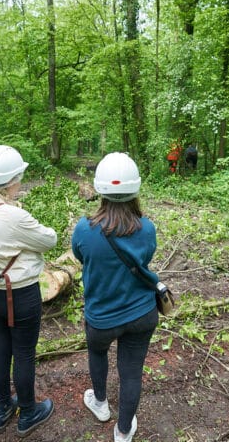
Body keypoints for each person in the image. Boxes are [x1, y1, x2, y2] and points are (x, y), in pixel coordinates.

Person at [0, 144, 57, 437]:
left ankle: (3, 408)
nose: (20, 181)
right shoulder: (12, 215)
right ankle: (29, 413)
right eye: (19, 176)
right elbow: (49, 240)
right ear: (10, 181)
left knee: (1, 346)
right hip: (18, 294)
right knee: (23, 352)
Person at [72, 152, 159, 442]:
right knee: (131, 372)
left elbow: (79, 255)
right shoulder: (146, 228)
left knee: (97, 353)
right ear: (135, 189)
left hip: (101, 318)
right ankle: (123, 431)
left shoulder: (85, 229)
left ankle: (100, 404)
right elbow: (145, 258)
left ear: (100, 189)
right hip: (142, 314)